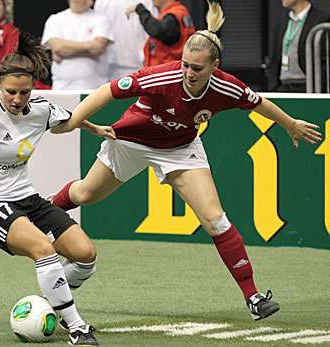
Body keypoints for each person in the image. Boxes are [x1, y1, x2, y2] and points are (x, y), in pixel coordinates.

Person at [49, 0, 322, 321]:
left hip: (181, 148)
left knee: (215, 219)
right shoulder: (160, 77)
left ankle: (253, 297)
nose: (189, 73)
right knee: (84, 195)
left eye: (197, 68)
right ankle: (41, 214)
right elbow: (106, 91)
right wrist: (73, 122)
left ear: (215, 65)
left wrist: (289, 123)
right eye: (185, 65)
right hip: (132, 142)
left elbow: (259, 102)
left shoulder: (226, 86)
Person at [0, 32, 115, 346]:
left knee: (86, 256)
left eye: (24, 92)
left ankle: (53, 296)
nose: (18, 99)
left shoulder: (40, 109)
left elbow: (68, 120)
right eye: (11, 92)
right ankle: (77, 327)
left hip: (28, 198)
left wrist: (94, 127)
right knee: (43, 251)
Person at [41, 0, 113, 90]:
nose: (90, 1)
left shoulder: (101, 19)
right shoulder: (55, 19)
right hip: (62, 87)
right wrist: (89, 46)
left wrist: (64, 52)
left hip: (95, 87)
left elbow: (98, 48)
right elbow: (58, 48)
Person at [266, 0, 330, 92]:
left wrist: (319, 88)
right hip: (283, 88)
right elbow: (273, 60)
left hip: (308, 87)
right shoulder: (282, 21)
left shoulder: (321, 19)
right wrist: (273, 88)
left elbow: (325, 61)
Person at [94, 0, 156, 79]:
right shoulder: (101, 2)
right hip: (108, 64)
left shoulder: (146, 1)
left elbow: (151, 32)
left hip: (138, 64)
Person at [125, 0, 194, 67]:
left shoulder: (175, 14)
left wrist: (141, 10)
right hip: (165, 70)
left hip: (167, 71)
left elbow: (156, 30)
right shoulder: (177, 12)